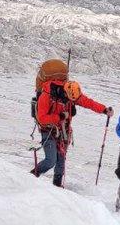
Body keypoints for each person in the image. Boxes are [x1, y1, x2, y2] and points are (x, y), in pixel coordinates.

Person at [31, 59, 112, 187]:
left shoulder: (71, 93)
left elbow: (87, 102)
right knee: (51, 160)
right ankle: (29, 178)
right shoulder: (46, 95)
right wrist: (60, 117)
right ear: (65, 92)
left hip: (64, 131)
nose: (73, 101)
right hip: (49, 130)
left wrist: (104, 109)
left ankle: (57, 186)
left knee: (61, 161)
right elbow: (42, 118)